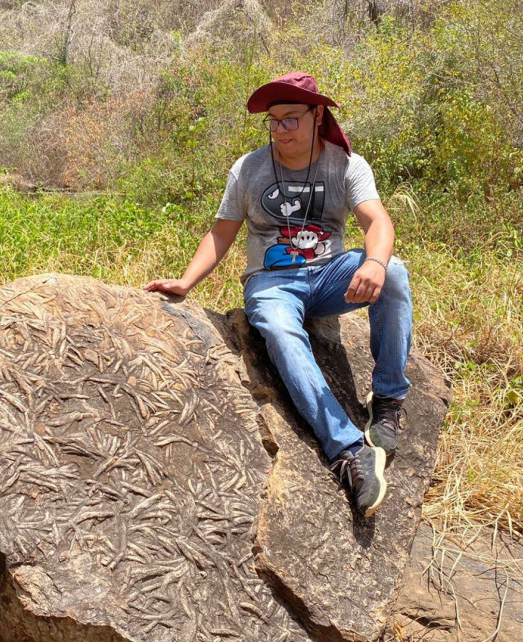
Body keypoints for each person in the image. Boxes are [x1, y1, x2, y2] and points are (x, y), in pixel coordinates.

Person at [144, 72, 412, 517]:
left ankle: (387, 402)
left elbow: (378, 223)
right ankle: (348, 452)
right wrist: (186, 282)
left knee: (397, 274)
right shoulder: (249, 168)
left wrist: (374, 263)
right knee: (282, 331)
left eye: (291, 119)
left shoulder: (346, 165)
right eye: (273, 121)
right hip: (272, 281)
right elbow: (223, 231)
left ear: (317, 115)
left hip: (329, 274)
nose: (280, 130)